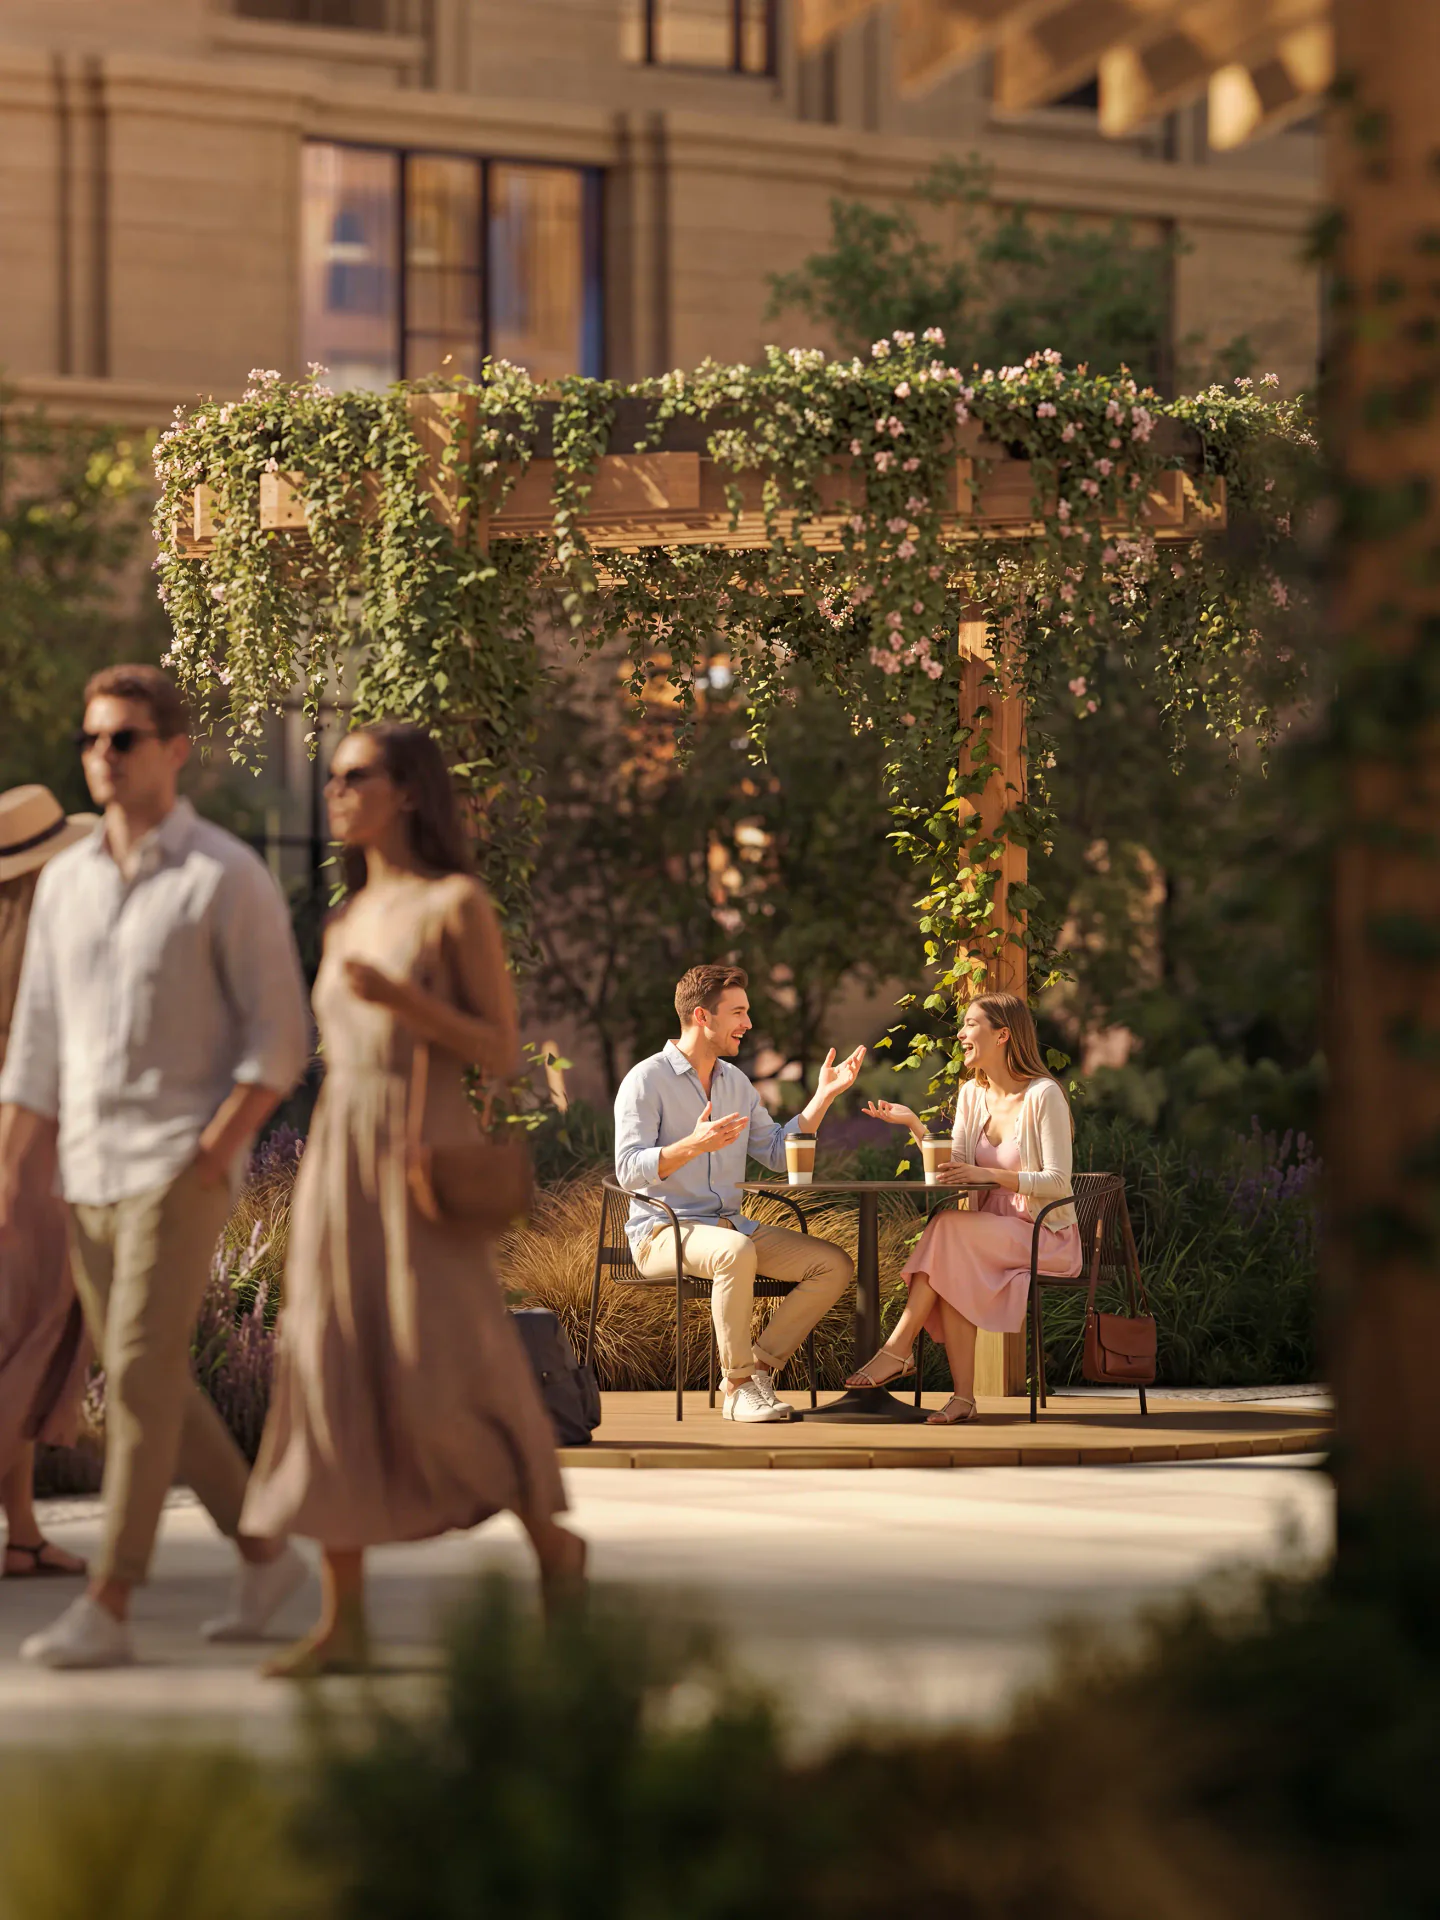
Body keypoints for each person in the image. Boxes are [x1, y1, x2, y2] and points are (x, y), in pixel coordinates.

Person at [241, 722, 584, 1678]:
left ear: (406, 792)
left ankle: (555, 1549)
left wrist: (407, 1003)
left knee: (452, 1372)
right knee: (326, 1370)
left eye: (355, 777)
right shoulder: (344, 920)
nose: (336, 792)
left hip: (423, 1162)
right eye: (333, 777)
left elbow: (499, 1049)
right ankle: (340, 1620)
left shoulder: (453, 904)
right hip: (339, 1164)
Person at [0, 665, 312, 1669]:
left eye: (125, 738)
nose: (104, 756)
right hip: (82, 1174)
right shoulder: (71, 885)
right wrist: (11, 1173)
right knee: (154, 1382)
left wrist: (216, 1150)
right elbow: (37, 1046)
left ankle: (110, 1599)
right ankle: (266, 1557)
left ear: (175, 750)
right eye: (93, 739)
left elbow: (281, 1039)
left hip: (179, 1169)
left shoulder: (224, 877)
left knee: (133, 1372)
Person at [613, 965, 865, 1423]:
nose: (748, 1023)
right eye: (739, 1012)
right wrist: (694, 1143)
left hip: (729, 1227)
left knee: (832, 1264)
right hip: (662, 1232)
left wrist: (823, 1097)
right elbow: (628, 1171)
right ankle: (737, 1385)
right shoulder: (646, 1080)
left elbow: (773, 1153)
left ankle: (762, 1367)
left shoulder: (736, 1082)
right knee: (734, 1251)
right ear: (702, 1016)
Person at [849, 992, 1079, 1424]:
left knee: (951, 1231)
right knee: (951, 1249)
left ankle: (897, 1349)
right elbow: (950, 1171)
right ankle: (963, 1399)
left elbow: (1058, 1182)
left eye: (971, 1024)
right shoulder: (973, 1094)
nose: (960, 1033)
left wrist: (991, 1176)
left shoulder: (1044, 1095)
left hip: (1043, 1234)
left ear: (1003, 1035)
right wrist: (915, 1125)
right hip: (987, 1233)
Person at [0, 786, 98, 1581]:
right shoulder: (54, 949)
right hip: (38, 1161)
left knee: (18, 1345)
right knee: (35, 1343)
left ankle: (24, 1534)